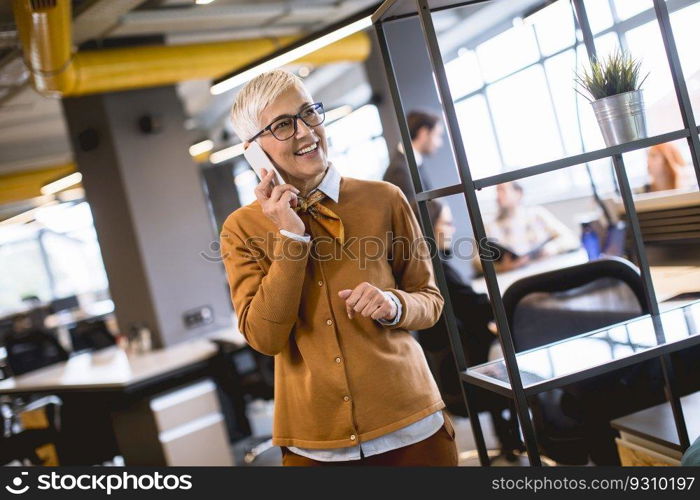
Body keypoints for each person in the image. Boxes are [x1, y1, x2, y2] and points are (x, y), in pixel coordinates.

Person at [220, 69, 457, 466]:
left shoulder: (384, 198)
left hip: (412, 425)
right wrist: (292, 241)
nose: (306, 131)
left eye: (309, 112)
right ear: (253, 150)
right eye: (282, 125)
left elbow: (429, 301)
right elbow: (265, 338)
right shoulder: (241, 229)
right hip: (314, 444)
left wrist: (394, 305)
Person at [417, 200, 523, 459]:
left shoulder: (423, 264)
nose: (453, 229)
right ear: (432, 228)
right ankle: (532, 436)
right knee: (516, 357)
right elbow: (473, 306)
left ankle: (509, 438)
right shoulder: (437, 267)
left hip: (449, 373)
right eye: (448, 223)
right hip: (463, 377)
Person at [482, 182, 579, 272]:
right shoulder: (490, 226)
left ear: (518, 193)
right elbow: (478, 262)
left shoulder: (537, 215)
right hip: (513, 275)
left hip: (546, 268)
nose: (498, 196)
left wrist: (552, 248)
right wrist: (502, 267)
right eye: (497, 191)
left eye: (502, 190)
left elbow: (570, 238)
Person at [382, 110, 444, 212]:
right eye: (437, 135)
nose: (439, 143)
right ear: (423, 133)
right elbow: (414, 216)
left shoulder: (413, 163)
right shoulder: (399, 171)